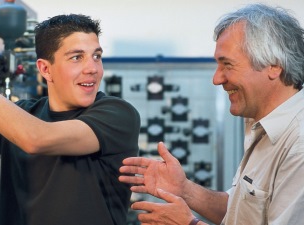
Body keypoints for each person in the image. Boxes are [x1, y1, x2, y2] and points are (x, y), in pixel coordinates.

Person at [0, 14, 141, 225]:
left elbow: (37, 138)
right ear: (45, 69)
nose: (93, 68)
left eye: (96, 56)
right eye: (77, 57)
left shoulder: (118, 114)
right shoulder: (24, 114)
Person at [119, 3, 304, 225]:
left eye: (227, 65)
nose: (217, 79)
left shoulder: (298, 145)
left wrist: (189, 223)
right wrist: (184, 190)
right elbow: (240, 212)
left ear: (274, 65)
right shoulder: (263, 128)